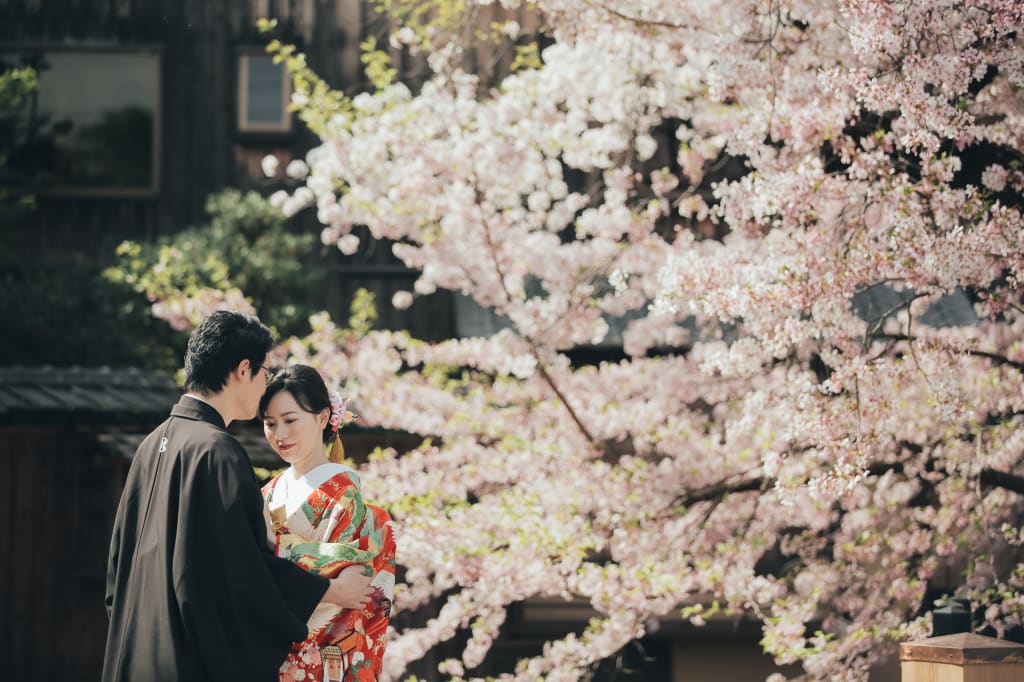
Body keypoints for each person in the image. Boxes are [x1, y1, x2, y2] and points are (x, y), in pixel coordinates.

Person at [103, 311, 375, 682]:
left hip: (137, 655)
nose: (265, 386)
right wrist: (330, 589)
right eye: (265, 373)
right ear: (243, 369)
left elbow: (118, 571)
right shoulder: (216, 451)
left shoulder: (152, 445)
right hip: (185, 664)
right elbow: (240, 569)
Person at [259, 364, 397, 682]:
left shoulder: (345, 497)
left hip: (314, 658)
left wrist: (272, 548)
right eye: (270, 423)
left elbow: (353, 593)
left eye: (290, 420)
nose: (280, 435)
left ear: (323, 418)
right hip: (265, 652)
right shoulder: (268, 493)